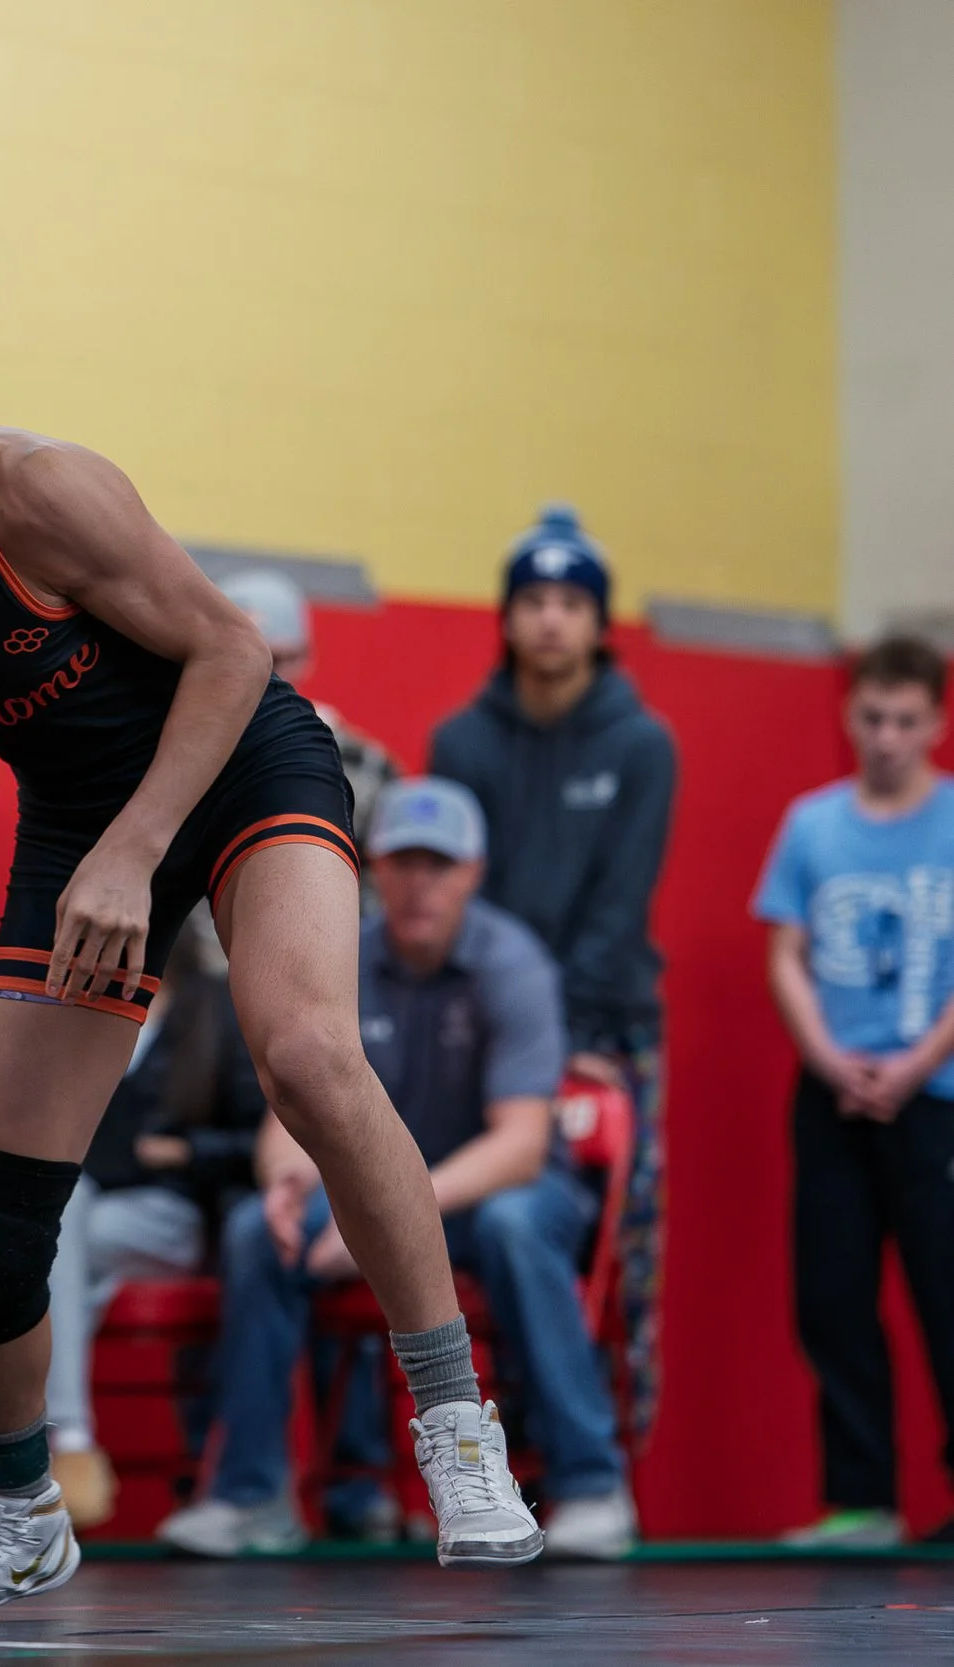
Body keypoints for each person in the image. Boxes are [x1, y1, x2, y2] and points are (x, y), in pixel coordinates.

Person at [0, 266, 544, 1625]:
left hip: (242, 766)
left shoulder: (27, 488)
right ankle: (18, 1517)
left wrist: (137, 847)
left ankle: (456, 1423)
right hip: (81, 824)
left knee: (307, 1054)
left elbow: (232, 652)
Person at [157, 778, 635, 1560]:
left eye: (438, 865)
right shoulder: (345, 952)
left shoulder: (512, 963)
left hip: (498, 1194)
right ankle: (249, 1495)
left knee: (517, 1226)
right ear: (375, 867)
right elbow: (291, 1104)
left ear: (473, 872)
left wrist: (384, 1219)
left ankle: (591, 1483)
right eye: (404, 862)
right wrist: (287, 1178)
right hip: (381, 1196)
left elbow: (520, 1144)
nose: (419, 883)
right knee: (255, 1229)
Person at [428, 505, 677, 1439]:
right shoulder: (461, 742)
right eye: (532, 600)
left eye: (571, 603)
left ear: (600, 623)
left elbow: (620, 906)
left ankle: (605, 1451)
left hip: (608, 1034)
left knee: (614, 1257)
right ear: (506, 616)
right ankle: (489, 1446)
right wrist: (524, 1033)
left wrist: (564, 1037)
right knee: (479, 1229)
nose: (550, 619)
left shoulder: (642, 744)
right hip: (485, 1033)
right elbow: (461, 899)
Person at [0, 956, 267, 1527]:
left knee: (24, 1259)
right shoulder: (80, 1004)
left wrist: (184, 1152)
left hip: (173, 1215)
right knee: (31, 1260)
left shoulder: (214, 1004)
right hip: (88, 1207)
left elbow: (263, 1137)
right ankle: (72, 1443)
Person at [752, 635, 954, 1549]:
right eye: (873, 717)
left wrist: (915, 1062)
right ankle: (863, 1497)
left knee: (945, 1293)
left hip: (936, 1097)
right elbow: (784, 954)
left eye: (907, 720)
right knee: (832, 1296)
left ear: (937, 722)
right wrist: (830, 1058)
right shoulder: (812, 824)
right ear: (850, 713)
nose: (887, 737)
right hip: (832, 1094)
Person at [216, 569, 396, 872]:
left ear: (306, 657)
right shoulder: (174, 754)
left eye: (278, 658)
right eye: (243, 658)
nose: (265, 675)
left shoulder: (363, 766)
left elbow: (382, 884)